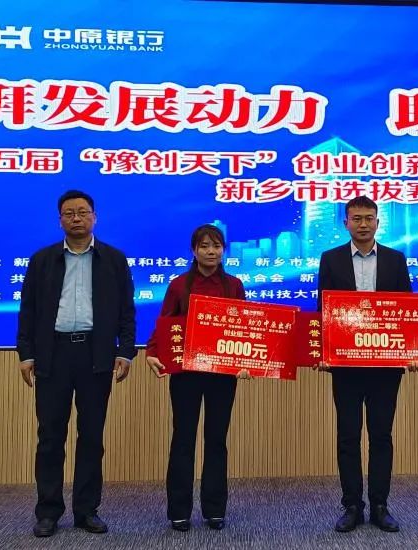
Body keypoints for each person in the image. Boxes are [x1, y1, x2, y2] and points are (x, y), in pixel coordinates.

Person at [16, 190, 135, 537]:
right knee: (50, 437)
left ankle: (87, 510)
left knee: (92, 436)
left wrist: (125, 351)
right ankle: (48, 512)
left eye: (83, 212)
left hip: (95, 356)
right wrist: (26, 354)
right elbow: (28, 311)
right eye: (69, 213)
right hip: (52, 354)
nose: (77, 218)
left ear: (94, 217)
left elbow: (126, 312)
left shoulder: (113, 259)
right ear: (60, 221)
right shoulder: (42, 260)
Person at [317, 196, 417, 533]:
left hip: (385, 365)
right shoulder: (330, 259)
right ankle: (351, 506)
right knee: (348, 436)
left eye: (369, 218)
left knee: (381, 436)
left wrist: (412, 351)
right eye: (356, 218)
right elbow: (324, 309)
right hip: (346, 365)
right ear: (345, 222)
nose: (363, 224)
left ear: (378, 222)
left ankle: (379, 505)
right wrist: (323, 351)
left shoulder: (395, 259)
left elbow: (406, 309)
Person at [145, 224, 250, 532]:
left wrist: (246, 362)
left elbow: (244, 329)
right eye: (204, 246)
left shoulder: (234, 285)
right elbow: (165, 323)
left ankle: (214, 510)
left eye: (216, 246)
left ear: (223, 250)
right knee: (183, 439)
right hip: (186, 374)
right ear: (193, 250)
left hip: (222, 375)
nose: (210, 251)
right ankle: (179, 511)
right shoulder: (179, 285)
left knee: (216, 440)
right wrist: (152, 351)